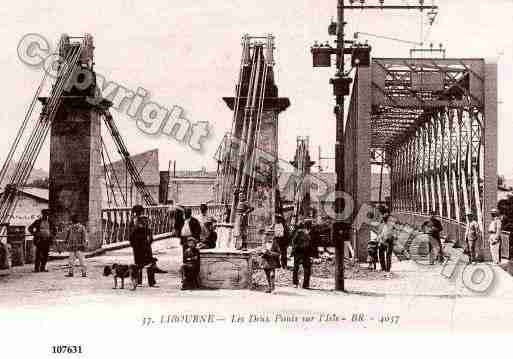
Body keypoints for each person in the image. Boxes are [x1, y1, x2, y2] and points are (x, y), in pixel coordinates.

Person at [129, 205, 158, 287]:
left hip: (139, 244)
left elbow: (131, 234)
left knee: (139, 263)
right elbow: (149, 231)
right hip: (144, 243)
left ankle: (140, 281)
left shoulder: (136, 220)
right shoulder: (145, 220)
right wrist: (150, 240)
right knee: (148, 262)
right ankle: (150, 282)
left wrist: (132, 243)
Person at [291, 219, 317, 289]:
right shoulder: (299, 232)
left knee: (306, 268)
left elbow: (314, 245)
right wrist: (295, 248)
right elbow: (293, 241)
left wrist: (314, 255)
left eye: (309, 224)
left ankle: (305, 284)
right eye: (308, 224)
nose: (309, 225)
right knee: (296, 268)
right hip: (298, 252)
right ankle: (295, 283)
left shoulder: (313, 232)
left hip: (307, 253)